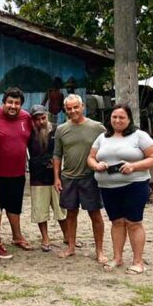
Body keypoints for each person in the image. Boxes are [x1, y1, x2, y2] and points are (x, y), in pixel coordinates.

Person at [88, 104, 153, 274]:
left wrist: (134, 167)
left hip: (134, 185)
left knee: (133, 223)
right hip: (108, 187)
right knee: (117, 222)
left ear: (129, 119)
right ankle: (117, 258)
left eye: (122, 117)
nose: (117, 120)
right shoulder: (102, 137)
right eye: (114, 117)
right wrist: (97, 165)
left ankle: (138, 261)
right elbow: (90, 158)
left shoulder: (140, 136)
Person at [53, 94, 108, 262]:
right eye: (69, 108)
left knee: (95, 214)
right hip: (68, 177)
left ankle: (100, 250)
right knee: (70, 213)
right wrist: (56, 177)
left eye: (76, 107)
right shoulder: (61, 129)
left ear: (82, 106)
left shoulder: (97, 128)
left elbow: (108, 148)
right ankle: (71, 246)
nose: (73, 111)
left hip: (90, 177)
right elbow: (57, 155)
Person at [0, 87, 34, 253]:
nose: (13, 106)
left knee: (15, 207)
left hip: (18, 172)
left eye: (17, 103)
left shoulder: (26, 117)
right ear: (3, 102)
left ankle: (17, 236)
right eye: (10, 102)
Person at [27, 105, 68, 252]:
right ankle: (45, 238)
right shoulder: (29, 133)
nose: (40, 122)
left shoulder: (58, 130)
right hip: (37, 176)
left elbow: (64, 150)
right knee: (40, 210)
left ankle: (68, 236)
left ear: (47, 116)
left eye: (42, 118)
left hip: (56, 176)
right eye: (37, 119)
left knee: (61, 209)